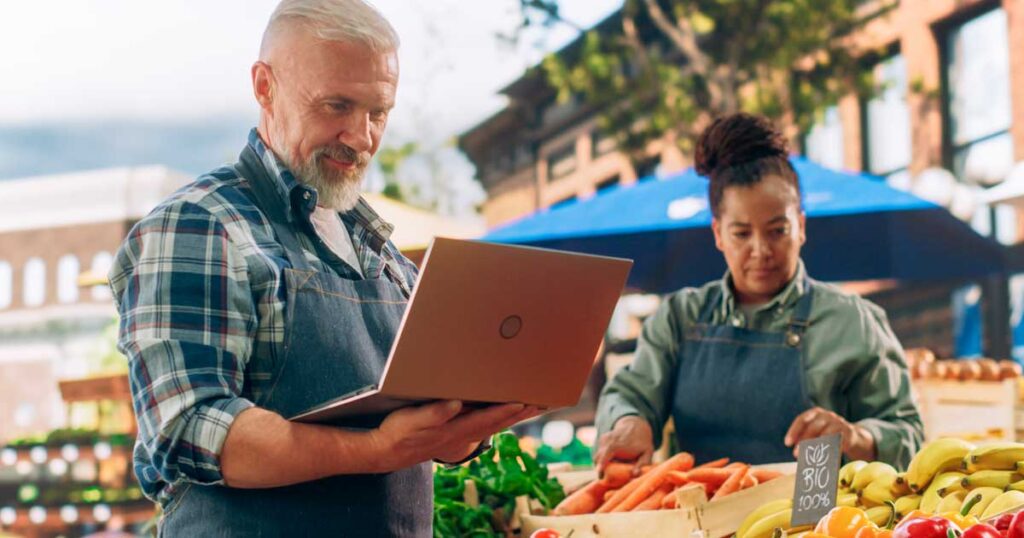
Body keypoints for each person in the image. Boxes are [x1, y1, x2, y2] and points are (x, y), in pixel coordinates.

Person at [108, 1, 539, 535]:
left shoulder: (379, 249)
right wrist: (378, 450)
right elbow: (192, 428)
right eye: (337, 105)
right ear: (265, 86)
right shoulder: (199, 226)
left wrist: (467, 422)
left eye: (378, 112)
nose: (361, 136)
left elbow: (430, 421)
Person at [593, 113, 924, 473]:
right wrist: (630, 423)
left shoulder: (852, 321)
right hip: (701, 520)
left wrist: (858, 437)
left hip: (819, 523)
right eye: (741, 234)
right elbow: (630, 394)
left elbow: (908, 435)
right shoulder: (680, 318)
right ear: (718, 234)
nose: (760, 250)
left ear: (801, 226)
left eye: (777, 230)